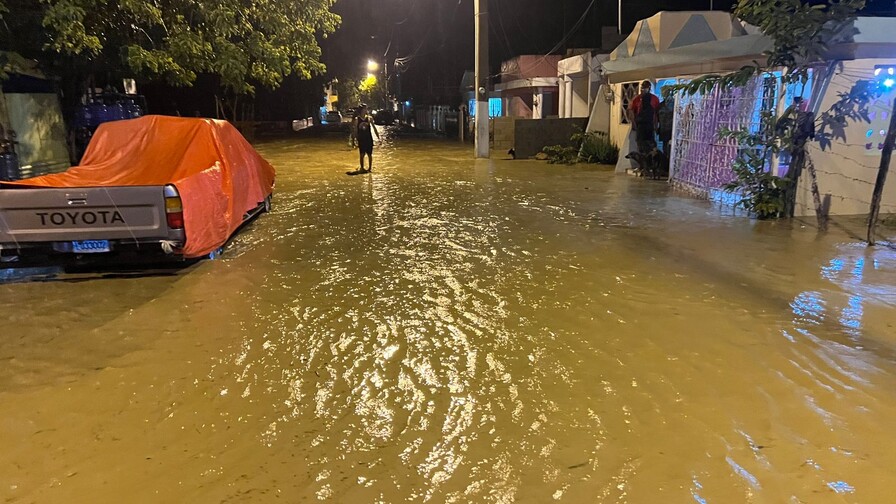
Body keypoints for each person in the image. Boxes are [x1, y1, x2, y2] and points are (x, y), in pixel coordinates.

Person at [627, 80, 660, 154]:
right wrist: (633, 123)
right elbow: (631, 111)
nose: (643, 89)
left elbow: (656, 113)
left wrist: (656, 125)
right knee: (641, 145)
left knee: (651, 145)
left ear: (649, 88)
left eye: (645, 87)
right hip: (640, 126)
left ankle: (650, 162)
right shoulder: (637, 99)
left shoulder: (654, 99)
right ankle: (642, 162)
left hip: (650, 126)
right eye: (643, 87)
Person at [353, 104, 380, 172]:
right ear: (361, 110)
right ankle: (362, 168)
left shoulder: (369, 118)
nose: (366, 110)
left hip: (368, 138)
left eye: (366, 109)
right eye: (364, 109)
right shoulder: (357, 119)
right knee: (362, 154)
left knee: (369, 154)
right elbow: (355, 130)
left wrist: (378, 138)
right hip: (361, 139)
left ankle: (369, 168)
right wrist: (354, 140)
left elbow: (374, 128)